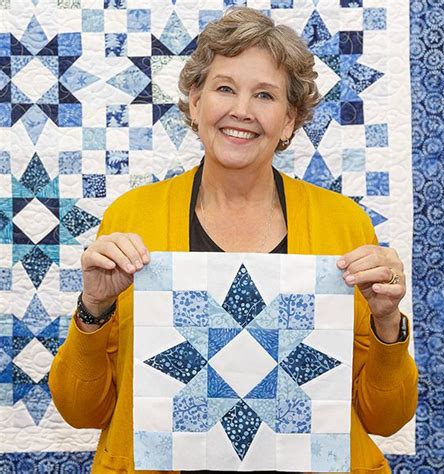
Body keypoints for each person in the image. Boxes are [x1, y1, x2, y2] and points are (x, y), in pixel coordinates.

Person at [49, 7, 418, 474]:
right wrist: (93, 309)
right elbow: (82, 412)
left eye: (265, 95)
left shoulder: (342, 225)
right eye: (225, 88)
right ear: (196, 101)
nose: (241, 110)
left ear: (289, 121)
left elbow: (385, 420)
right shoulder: (132, 218)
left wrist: (388, 323)